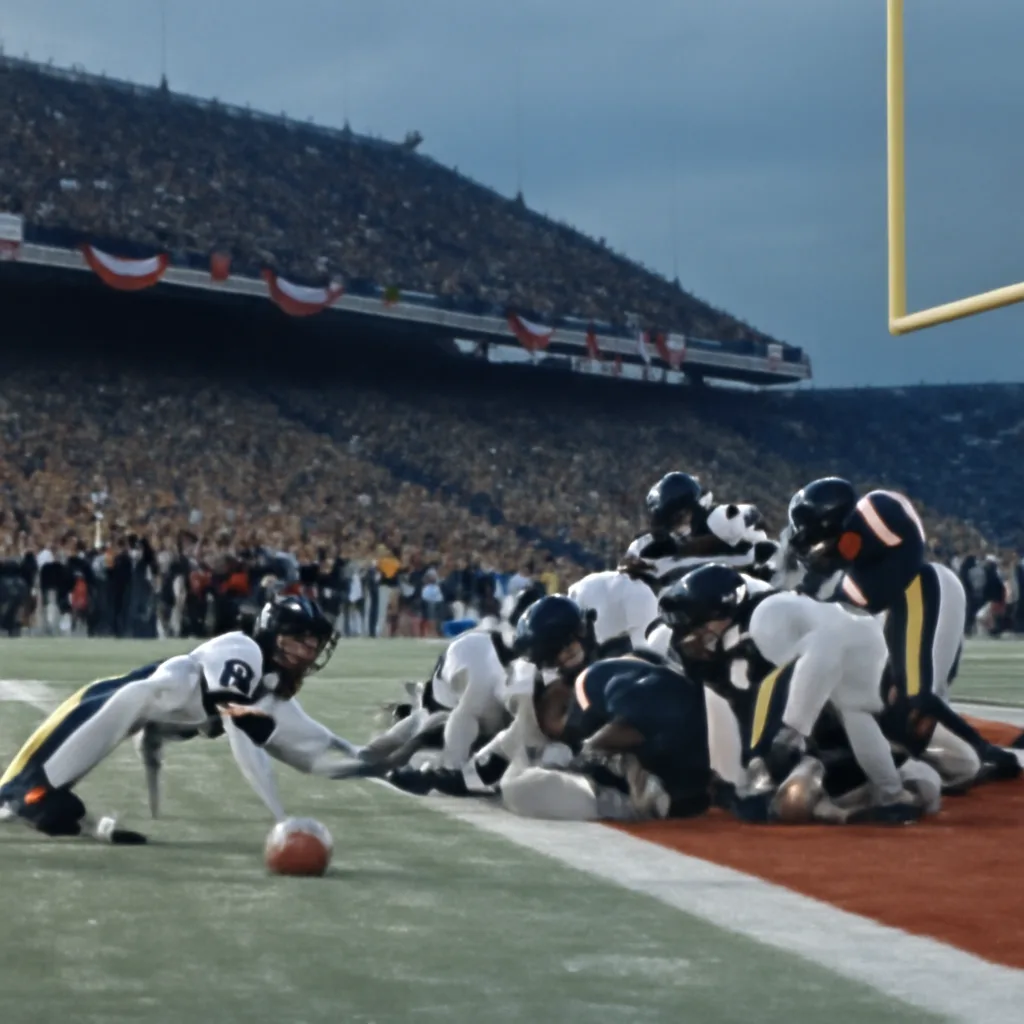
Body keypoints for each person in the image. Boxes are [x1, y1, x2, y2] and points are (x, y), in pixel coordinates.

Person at [0, 594, 364, 843]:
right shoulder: (244, 651)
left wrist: (373, 761)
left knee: (57, 809)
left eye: (314, 644)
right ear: (273, 634)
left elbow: (297, 732)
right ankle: (29, 795)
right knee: (33, 792)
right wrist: (280, 816)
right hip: (126, 696)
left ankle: (47, 804)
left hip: (146, 708)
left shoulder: (263, 677)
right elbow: (235, 718)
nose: (309, 652)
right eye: (299, 640)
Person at [787, 478, 1020, 785]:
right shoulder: (858, 565)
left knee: (914, 696)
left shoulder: (879, 518)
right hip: (901, 602)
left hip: (924, 591)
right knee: (895, 701)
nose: (819, 554)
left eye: (822, 543)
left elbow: (876, 589)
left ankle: (983, 751)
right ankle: (954, 754)